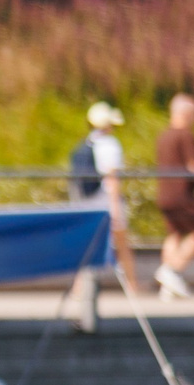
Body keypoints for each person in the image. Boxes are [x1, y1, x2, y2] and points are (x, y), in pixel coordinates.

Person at [70, 101, 130, 291]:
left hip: (89, 203)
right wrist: (116, 209)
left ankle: (78, 289)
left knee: (88, 247)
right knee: (122, 246)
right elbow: (112, 179)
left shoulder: (86, 144)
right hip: (106, 201)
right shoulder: (110, 145)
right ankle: (134, 287)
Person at [153, 92, 194, 299]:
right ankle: (170, 271)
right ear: (186, 113)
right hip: (182, 195)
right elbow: (193, 167)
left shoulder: (163, 136)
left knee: (174, 235)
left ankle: (168, 288)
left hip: (164, 194)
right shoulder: (185, 135)